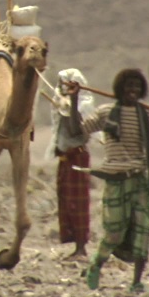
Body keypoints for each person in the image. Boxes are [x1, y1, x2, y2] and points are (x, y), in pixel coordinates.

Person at [66, 68, 149, 292]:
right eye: (129, 86)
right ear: (120, 88)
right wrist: (73, 98)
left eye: (137, 87)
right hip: (115, 180)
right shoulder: (105, 112)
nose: (133, 90)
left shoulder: (146, 115)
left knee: (143, 229)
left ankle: (136, 282)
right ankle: (96, 265)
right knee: (114, 232)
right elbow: (76, 131)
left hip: (139, 180)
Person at [45, 69, 96, 260]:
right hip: (65, 158)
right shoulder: (61, 103)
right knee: (66, 201)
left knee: (78, 203)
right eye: (61, 84)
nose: (62, 87)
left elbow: (76, 131)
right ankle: (75, 245)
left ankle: (81, 248)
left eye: (67, 83)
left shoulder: (83, 106)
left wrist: (73, 102)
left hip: (78, 157)